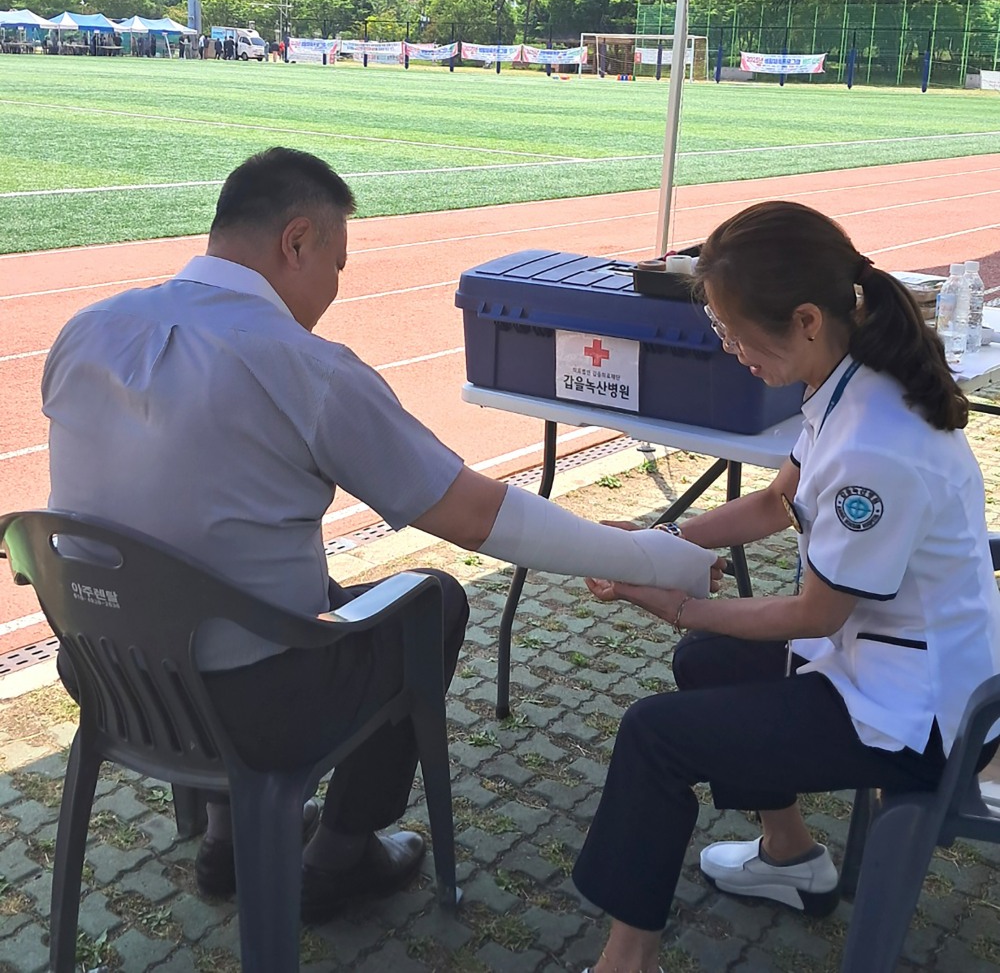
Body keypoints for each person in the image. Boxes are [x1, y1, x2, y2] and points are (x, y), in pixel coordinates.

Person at [42, 146, 719, 924]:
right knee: (429, 602)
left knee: (241, 583)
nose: (335, 288)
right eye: (336, 263)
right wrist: (648, 555)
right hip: (248, 703)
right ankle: (340, 854)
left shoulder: (85, 328)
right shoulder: (303, 366)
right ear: (296, 241)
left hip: (106, 671)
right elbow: (475, 515)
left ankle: (228, 836)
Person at [572, 200, 1000, 973]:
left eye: (736, 332)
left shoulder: (875, 442)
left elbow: (813, 612)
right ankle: (791, 856)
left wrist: (674, 600)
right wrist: (662, 542)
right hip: (883, 659)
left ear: (806, 319)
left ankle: (625, 962)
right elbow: (777, 501)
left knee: (654, 735)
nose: (731, 348)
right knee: (706, 661)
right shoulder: (849, 380)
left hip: (924, 717)